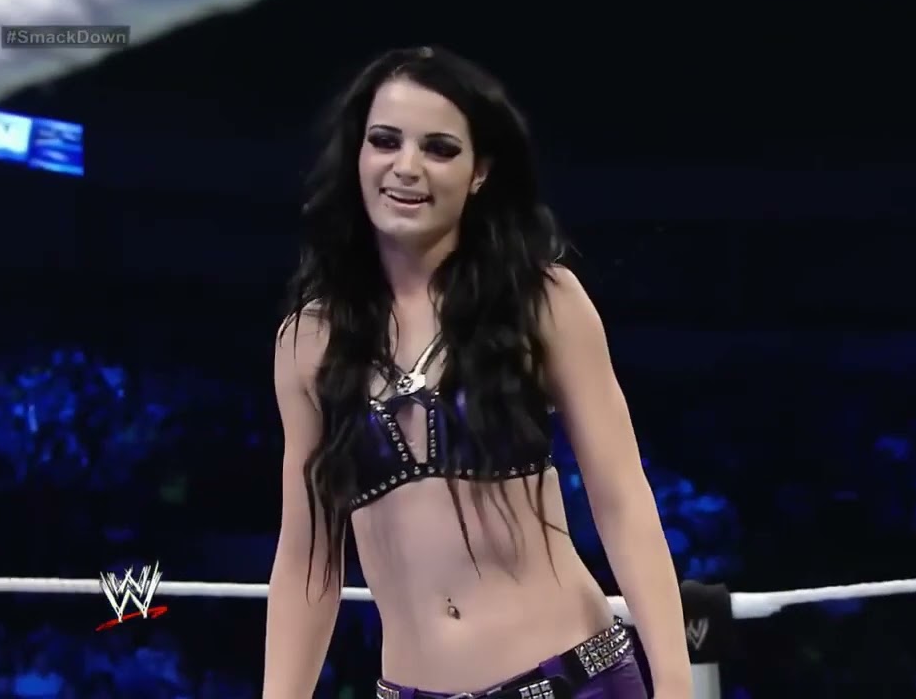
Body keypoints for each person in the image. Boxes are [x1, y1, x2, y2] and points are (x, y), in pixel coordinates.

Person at [263, 46, 693, 698]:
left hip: (573, 680)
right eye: (385, 141)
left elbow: (621, 499)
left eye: (439, 149)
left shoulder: (542, 301)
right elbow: (308, 557)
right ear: (357, 155)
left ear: (480, 172)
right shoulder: (309, 340)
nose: (406, 167)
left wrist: (677, 684)